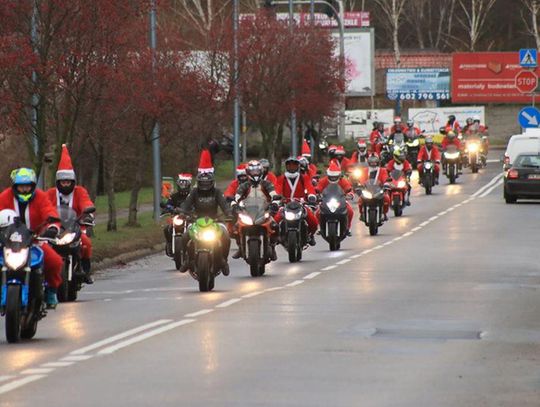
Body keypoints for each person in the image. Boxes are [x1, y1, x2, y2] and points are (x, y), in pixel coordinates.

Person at [0, 168, 63, 308]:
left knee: (55, 261)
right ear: (14, 187)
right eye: (21, 186)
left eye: (27, 186)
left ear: (33, 186)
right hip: (7, 243)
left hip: (34, 241)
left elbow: (49, 211)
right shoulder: (4, 197)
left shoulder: (40, 197)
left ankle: (51, 291)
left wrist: (53, 227)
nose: (24, 189)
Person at [46, 145, 96, 284]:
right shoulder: (50, 193)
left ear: (73, 182)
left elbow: (86, 202)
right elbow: (44, 206)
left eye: (68, 182)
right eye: (63, 181)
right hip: (55, 228)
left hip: (75, 227)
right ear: (58, 182)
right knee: (44, 245)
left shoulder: (80, 191)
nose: (66, 184)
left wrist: (87, 213)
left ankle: (85, 269)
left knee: (85, 243)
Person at [179, 150, 232, 276]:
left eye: (207, 182)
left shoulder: (217, 192)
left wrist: (229, 214)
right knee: (185, 236)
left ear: (212, 182)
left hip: (215, 221)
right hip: (197, 221)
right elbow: (186, 204)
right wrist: (183, 213)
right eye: (202, 182)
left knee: (226, 236)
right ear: (198, 182)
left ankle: (224, 260)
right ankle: (187, 259)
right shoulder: (194, 192)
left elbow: (224, 204)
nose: (205, 185)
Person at [232, 160, 279, 260]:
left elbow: (273, 193)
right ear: (248, 172)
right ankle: (240, 247)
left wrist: (275, 201)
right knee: (235, 228)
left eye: (257, 171)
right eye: (253, 171)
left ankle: (273, 247)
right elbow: (237, 196)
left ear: (261, 171)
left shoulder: (266, 184)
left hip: (264, 211)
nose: (255, 174)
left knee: (275, 226)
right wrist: (234, 203)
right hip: (248, 212)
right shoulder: (244, 185)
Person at [274, 157, 319, 245]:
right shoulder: (281, 178)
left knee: (313, 221)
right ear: (286, 167)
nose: (292, 167)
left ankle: (310, 235)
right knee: (275, 221)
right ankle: (276, 237)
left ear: (298, 166)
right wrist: (276, 198)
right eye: (289, 165)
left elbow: (309, 187)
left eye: (294, 165)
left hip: (301, 204)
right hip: (286, 204)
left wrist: (311, 196)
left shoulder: (303, 177)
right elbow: (277, 189)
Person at [315, 160, 354, 233]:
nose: (333, 178)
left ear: (339, 176)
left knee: (350, 211)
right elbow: (318, 187)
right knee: (318, 213)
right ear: (328, 175)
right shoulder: (323, 180)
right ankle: (320, 227)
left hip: (341, 201)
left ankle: (348, 227)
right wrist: (316, 194)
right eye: (331, 177)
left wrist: (350, 194)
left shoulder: (343, 180)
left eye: (335, 177)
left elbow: (349, 188)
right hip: (326, 201)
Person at [162, 173, 192, 257]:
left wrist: (194, 210)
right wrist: (168, 208)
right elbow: (168, 203)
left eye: (184, 184)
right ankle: (169, 244)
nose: (183, 186)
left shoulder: (192, 195)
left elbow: (196, 204)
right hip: (177, 217)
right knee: (166, 228)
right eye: (181, 183)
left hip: (189, 218)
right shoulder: (174, 196)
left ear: (189, 184)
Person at [356, 154, 391, 221]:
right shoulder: (364, 170)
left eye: (375, 161)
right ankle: (362, 213)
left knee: (386, 199)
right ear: (368, 162)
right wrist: (360, 185)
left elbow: (385, 178)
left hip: (378, 189)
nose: (373, 163)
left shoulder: (382, 170)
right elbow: (361, 179)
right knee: (360, 200)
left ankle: (384, 213)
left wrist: (386, 183)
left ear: (378, 161)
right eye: (371, 161)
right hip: (367, 189)